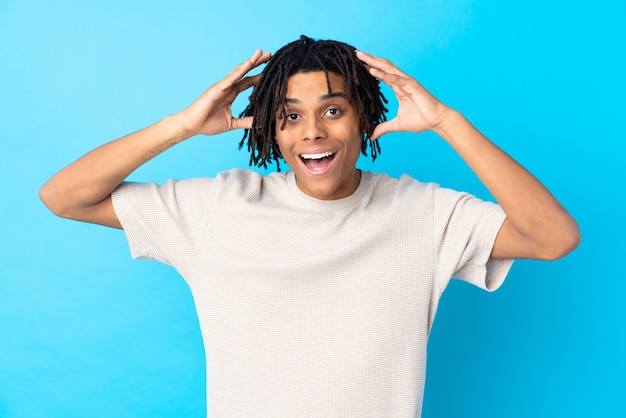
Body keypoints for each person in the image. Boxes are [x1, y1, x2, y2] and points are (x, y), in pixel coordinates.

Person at [40, 35, 580, 417]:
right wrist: (180, 126)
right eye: (291, 115)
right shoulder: (220, 207)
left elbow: (553, 237)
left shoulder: (424, 212)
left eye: (333, 110)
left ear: (365, 117)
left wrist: (447, 122)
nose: (313, 133)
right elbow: (63, 196)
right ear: (270, 130)